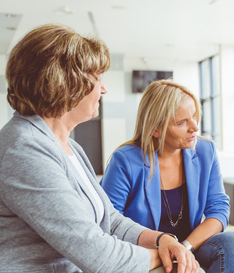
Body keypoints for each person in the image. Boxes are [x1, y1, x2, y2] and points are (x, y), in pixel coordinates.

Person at [0, 24, 199, 273]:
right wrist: (168, 255)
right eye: (98, 79)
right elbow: (102, 258)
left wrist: (162, 240)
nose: (103, 89)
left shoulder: (68, 145)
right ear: (67, 83)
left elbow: (110, 220)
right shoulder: (25, 151)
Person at [100, 80, 234, 273]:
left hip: (191, 245)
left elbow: (219, 209)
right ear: (155, 129)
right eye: (182, 122)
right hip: (148, 252)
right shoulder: (125, 161)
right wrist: (166, 247)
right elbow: (109, 223)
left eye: (194, 116)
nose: (195, 127)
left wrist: (185, 248)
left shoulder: (206, 151)